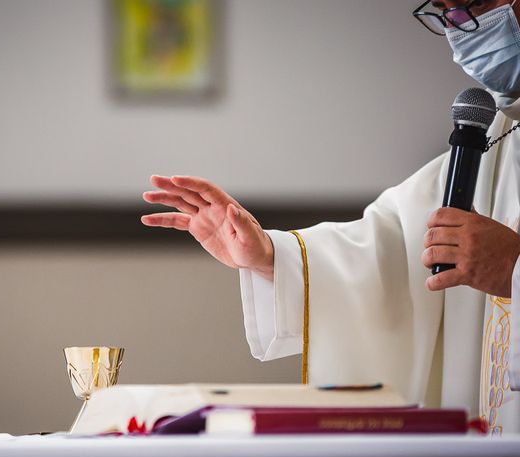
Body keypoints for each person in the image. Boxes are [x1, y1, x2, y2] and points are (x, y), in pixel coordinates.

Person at [141, 0, 520, 435]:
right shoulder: (498, 138)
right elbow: (391, 248)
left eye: (472, 4)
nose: (461, 27)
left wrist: (514, 268)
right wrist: (272, 254)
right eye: (445, 11)